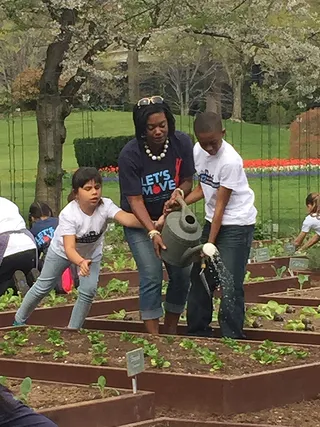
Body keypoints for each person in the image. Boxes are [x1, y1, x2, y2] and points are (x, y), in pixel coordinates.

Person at [14, 167, 144, 329]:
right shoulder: (69, 214)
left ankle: (73, 329)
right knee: (43, 287)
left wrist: (151, 222)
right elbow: (69, 248)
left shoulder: (106, 205)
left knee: (88, 291)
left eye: (97, 187)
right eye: (88, 189)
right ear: (76, 193)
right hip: (61, 252)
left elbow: (127, 219)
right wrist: (81, 262)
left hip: (91, 256)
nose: (94, 192)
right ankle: (18, 320)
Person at [170, 111, 257, 338]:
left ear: (223, 133)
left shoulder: (230, 161)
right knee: (200, 276)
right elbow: (204, 187)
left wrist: (208, 245)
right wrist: (180, 203)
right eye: (204, 143)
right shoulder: (198, 151)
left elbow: (221, 206)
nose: (209, 148)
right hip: (214, 220)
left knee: (229, 280)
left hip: (237, 223)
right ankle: (198, 332)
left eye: (214, 143)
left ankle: (231, 336)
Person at [118, 96, 195, 335]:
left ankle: (170, 328)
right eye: (152, 127)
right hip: (140, 223)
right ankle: (154, 337)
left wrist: (179, 193)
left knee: (182, 271)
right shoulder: (130, 155)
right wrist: (152, 230)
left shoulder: (181, 142)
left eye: (163, 124)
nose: (159, 131)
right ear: (142, 128)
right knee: (151, 273)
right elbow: (135, 200)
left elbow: (188, 180)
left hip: (172, 219)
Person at [29, 201, 78, 293]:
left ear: (32, 218)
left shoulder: (33, 230)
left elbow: (36, 254)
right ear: (49, 212)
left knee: (40, 262)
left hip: (50, 257)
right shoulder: (58, 221)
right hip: (69, 252)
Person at [0, 197, 37, 296]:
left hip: (5, 244)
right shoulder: (7, 202)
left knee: (3, 282)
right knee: (23, 272)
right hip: (28, 241)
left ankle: (14, 284)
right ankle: (31, 278)